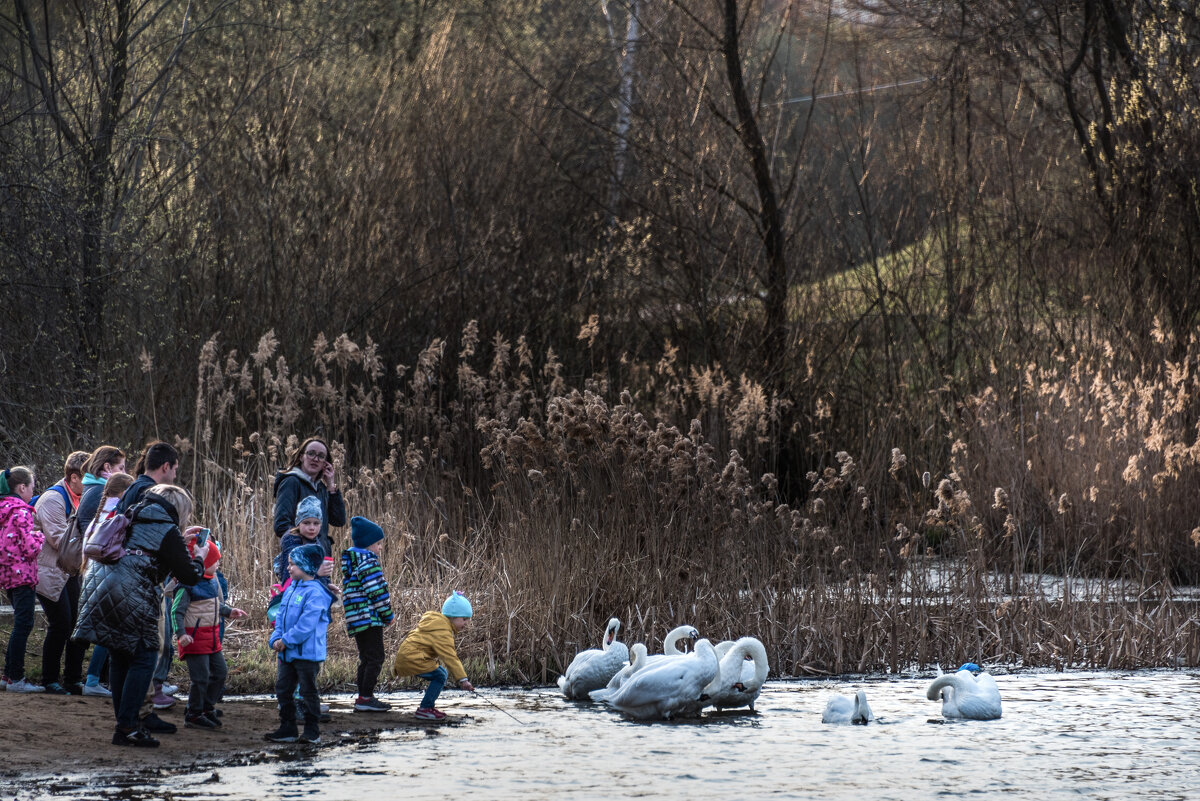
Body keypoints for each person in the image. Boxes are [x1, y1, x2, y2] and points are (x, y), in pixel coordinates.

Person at [74, 484, 209, 748]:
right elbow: (189, 576)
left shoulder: (133, 512)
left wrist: (180, 538)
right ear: (179, 509)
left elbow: (147, 545)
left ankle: (125, 725)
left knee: (119, 654)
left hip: (101, 587)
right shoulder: (166, 529)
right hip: (133, 593)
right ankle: (127, 727)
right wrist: (200, 557)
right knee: (145, 656)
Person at [116, 441, 182, 709]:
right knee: (149, 646)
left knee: (126, 653)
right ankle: (144, 705)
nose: (176, 475)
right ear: (165, 467)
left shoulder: (132, 487)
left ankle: (132, 713)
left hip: (124, 579)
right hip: (142, 581)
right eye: (175, 469)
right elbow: (150, 538)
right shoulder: (150, 492)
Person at [32, 451, 91, 695]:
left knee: (79, 624)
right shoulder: (52, 500)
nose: (91, 484)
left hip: (70, 570)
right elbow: (59, 540)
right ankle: (49, 680)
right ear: (74, 477)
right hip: (49, 571)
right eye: (87, 479)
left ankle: (74, 679)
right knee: (61, 624)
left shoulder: (80, 497)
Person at [171, 541, 247, 729]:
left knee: (220, 672)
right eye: (215, 561)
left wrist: (228, 611)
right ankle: (193, 714)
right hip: (194, 639)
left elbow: (211, 606)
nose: (218, 564)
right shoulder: (187, 585)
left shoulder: (211, 581)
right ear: (204, 562)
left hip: (212, 638)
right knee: (201, 677)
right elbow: (176, 612)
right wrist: (181, 635)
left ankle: (207, 707)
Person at [265, 544, 334, 745]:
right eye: (289, 564)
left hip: (307, 654)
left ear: (305, 566)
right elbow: (280, 619)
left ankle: (312, 731)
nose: (289, 568)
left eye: (293, 564)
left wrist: (285, 641)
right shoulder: (290, 590)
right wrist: (275, 639)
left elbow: (306, 625)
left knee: (307, 691)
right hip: (287, 653)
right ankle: (288, 728)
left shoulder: (316, 592)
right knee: (283, 689)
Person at [78, 471, 135, 697]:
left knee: (106, 632)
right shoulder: (116, 513)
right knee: (108, 633)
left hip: (94, 577)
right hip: (107, 579)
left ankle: (97, 680)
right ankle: (93, 681)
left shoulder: (100, 514)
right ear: (124, 493)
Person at [392, 591, 476, 720]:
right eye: (464, 619)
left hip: (408, 657)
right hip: (412, 658)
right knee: (440, 675)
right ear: (453, 617)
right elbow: (450, 657)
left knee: (440, 673)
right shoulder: (442, 631)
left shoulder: (437, 624)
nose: (466, 624)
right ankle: (425, 709)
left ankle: (427, 707)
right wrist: (463, 679)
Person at [340, 516, 394, 712]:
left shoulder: (352, 564)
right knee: (376, 657)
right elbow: (377, 592)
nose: (380, 548)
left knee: (366, 657)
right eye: (378, 543)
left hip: (357, 619)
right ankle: (366, 698)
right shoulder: (368, 563)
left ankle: (363, 697)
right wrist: (387, 615)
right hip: (369, 619)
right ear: (368, 544)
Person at [1, 467, 45, 693]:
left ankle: (8, 675)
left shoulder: (4, 510)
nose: (33, 491)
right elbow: (30, 549)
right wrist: (40, 535)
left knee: (20, 622)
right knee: (24, 624)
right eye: (32, 487)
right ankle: (17, 677)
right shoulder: (22, 512)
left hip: (8, 575)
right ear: (22, 488)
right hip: (24, 575)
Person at [272, 437, 346, 558]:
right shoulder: (291, 482)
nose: (316, 459)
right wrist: (305, 546)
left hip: (322, 557)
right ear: (301, 457)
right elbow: (281, 525)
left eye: (321, 456)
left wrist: (331, 487)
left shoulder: (321, 487)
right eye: (311, 453)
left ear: (325, 463)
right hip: (300, 558)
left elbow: (339, 521)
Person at [274, 495, 323, 585]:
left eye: (316, 523)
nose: (312, 528)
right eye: (306, 523)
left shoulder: (316, 542)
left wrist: (327, 586)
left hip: (311, 588)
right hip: (294, 590)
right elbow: (288, 576)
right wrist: (318, 572)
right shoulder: (291, 541)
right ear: (298, 523)